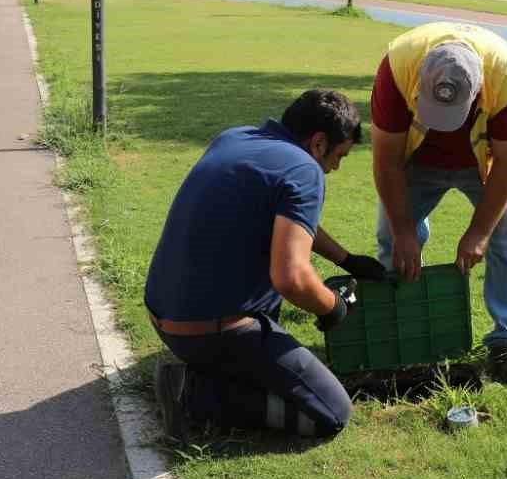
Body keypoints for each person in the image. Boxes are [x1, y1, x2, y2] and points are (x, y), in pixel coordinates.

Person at [145, 89, 387, 443]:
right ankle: (193, 396)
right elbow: (291, 277)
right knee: (332, 413)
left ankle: (213, 374)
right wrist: (333, 307)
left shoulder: (235, 137)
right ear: (319, 143)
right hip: (209, 332)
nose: (335, 167)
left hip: (163, 314)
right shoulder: (305, 170)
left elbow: (289, 221)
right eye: (340, 156)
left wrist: (346, 260)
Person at [370, 22, 507, 386]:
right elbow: (385, 160)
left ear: (478, 90)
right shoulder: (398, 66)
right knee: (391, 234)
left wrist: (479, 232)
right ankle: (402, 329)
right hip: (418, 159)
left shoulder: (506, 74)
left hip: (489, 161)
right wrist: (404, 231)